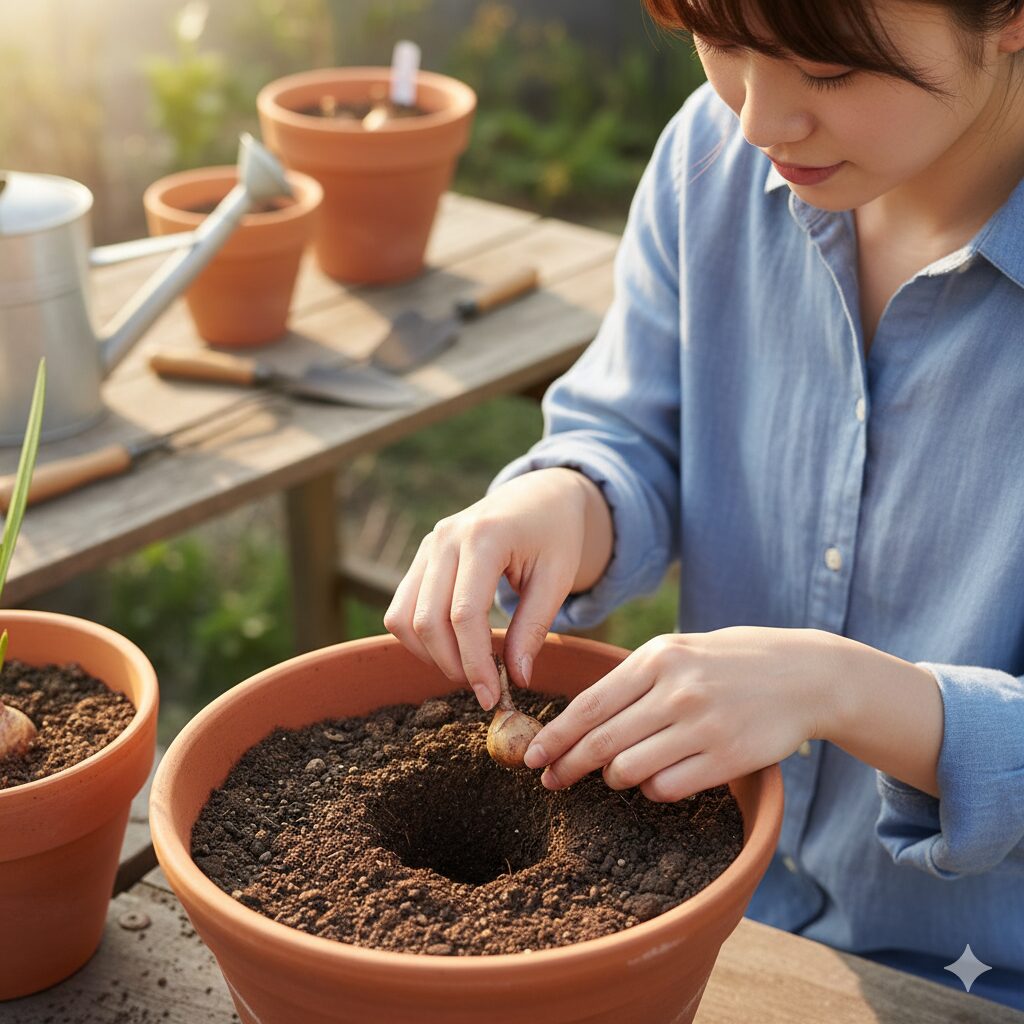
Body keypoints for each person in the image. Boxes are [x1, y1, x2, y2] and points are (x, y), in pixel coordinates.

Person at [384, 0, 1024, 1007]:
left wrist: (842, 690)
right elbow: (633, 433)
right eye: (723, 44)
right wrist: (565, 502)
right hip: (717, 920)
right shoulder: (710, 161)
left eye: (825, 69)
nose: (761, 119)